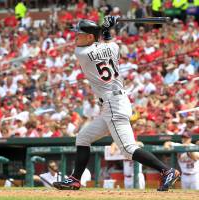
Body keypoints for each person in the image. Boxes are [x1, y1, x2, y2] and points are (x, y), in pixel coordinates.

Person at [53, 16, 180, 191]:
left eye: (79, 34)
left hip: (113, 104)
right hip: (115, 102)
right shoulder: (113, 47)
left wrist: (105, 28)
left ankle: (167, 171)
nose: (75, 37)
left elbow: (101, 42)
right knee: (83, 137)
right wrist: (107, 28)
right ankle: (75, 179)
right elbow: (107, 42)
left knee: (128, 149)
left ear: (90, 37)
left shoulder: (81, 53)